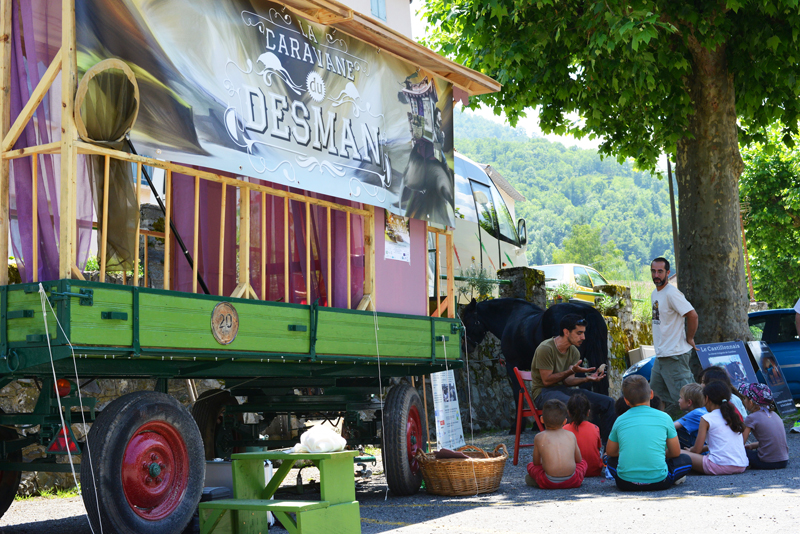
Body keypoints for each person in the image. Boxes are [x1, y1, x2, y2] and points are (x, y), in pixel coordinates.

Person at [530, 313, 616, 442]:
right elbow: (546, 381)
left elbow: (568, 381)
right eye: (579, 333)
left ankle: (607, 450)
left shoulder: (574, 351)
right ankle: (577, 448)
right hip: (543, 392)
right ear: (566, 332)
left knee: (608, 402)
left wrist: (587, 379)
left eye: (583, 333)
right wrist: (569, 371)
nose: (583, 337)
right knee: (574, 405)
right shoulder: (546, 348)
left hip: (563, 390)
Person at [605, 375, 692, 491]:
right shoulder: (665, 417)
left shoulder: (620, 420)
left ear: (626, 400)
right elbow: (675, 452)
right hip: (660, 482)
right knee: (686, 460)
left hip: (625, 483)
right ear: (651, 394)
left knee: (609, 461)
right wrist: (657, 453)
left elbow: (610, 452)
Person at [649, 257, 699, 416]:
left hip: (675, 356)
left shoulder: (672, 293)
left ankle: (695, 435)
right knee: (654, 400)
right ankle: (660, 432)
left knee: (688, 402)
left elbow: (692, 315)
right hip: (661, 356)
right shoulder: (655, 293)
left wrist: (689, 338)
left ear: (667, 273)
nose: (656, 275)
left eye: (660, 271)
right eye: (653, 271)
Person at [683, 382, 748, 475]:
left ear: (707, 398)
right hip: (741, 465)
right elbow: (721, 444)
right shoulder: (733, 416)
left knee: (678, 452)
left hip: (719, 466)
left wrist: (690, 451)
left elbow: (697, 450)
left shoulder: (707, 418)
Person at [526, 399, 588, 489]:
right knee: (583, 463)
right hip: (573, 480)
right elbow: (579, 460)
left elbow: (536, 463)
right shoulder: (571, 435)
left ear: (542, 419)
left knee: (530, 466)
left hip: (548, 481)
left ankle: (535, 480)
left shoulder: (539, 437)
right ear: (565, 421)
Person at [738, 383, 789, 470]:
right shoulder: (775, 415)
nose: (743, 401)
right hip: (783, 461)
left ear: (751, 402)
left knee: (740, 451)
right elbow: (772, 440)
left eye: (744, 398)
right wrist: (752, 446)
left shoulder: (751, 418)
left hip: (766, 462)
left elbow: (740, 443)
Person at [564, 394, 603, 477]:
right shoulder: (595, 428)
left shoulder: (564, 429)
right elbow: (598, 448)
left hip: (571, 471)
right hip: (594, 471)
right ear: (588, 412)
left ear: (568, 413)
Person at [674, 383, 708, 449]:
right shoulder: (704, 410)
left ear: (689, 402)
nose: (678, 401)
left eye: (681, 398)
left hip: (701, 452)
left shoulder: (696, 413)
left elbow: (671, 426)